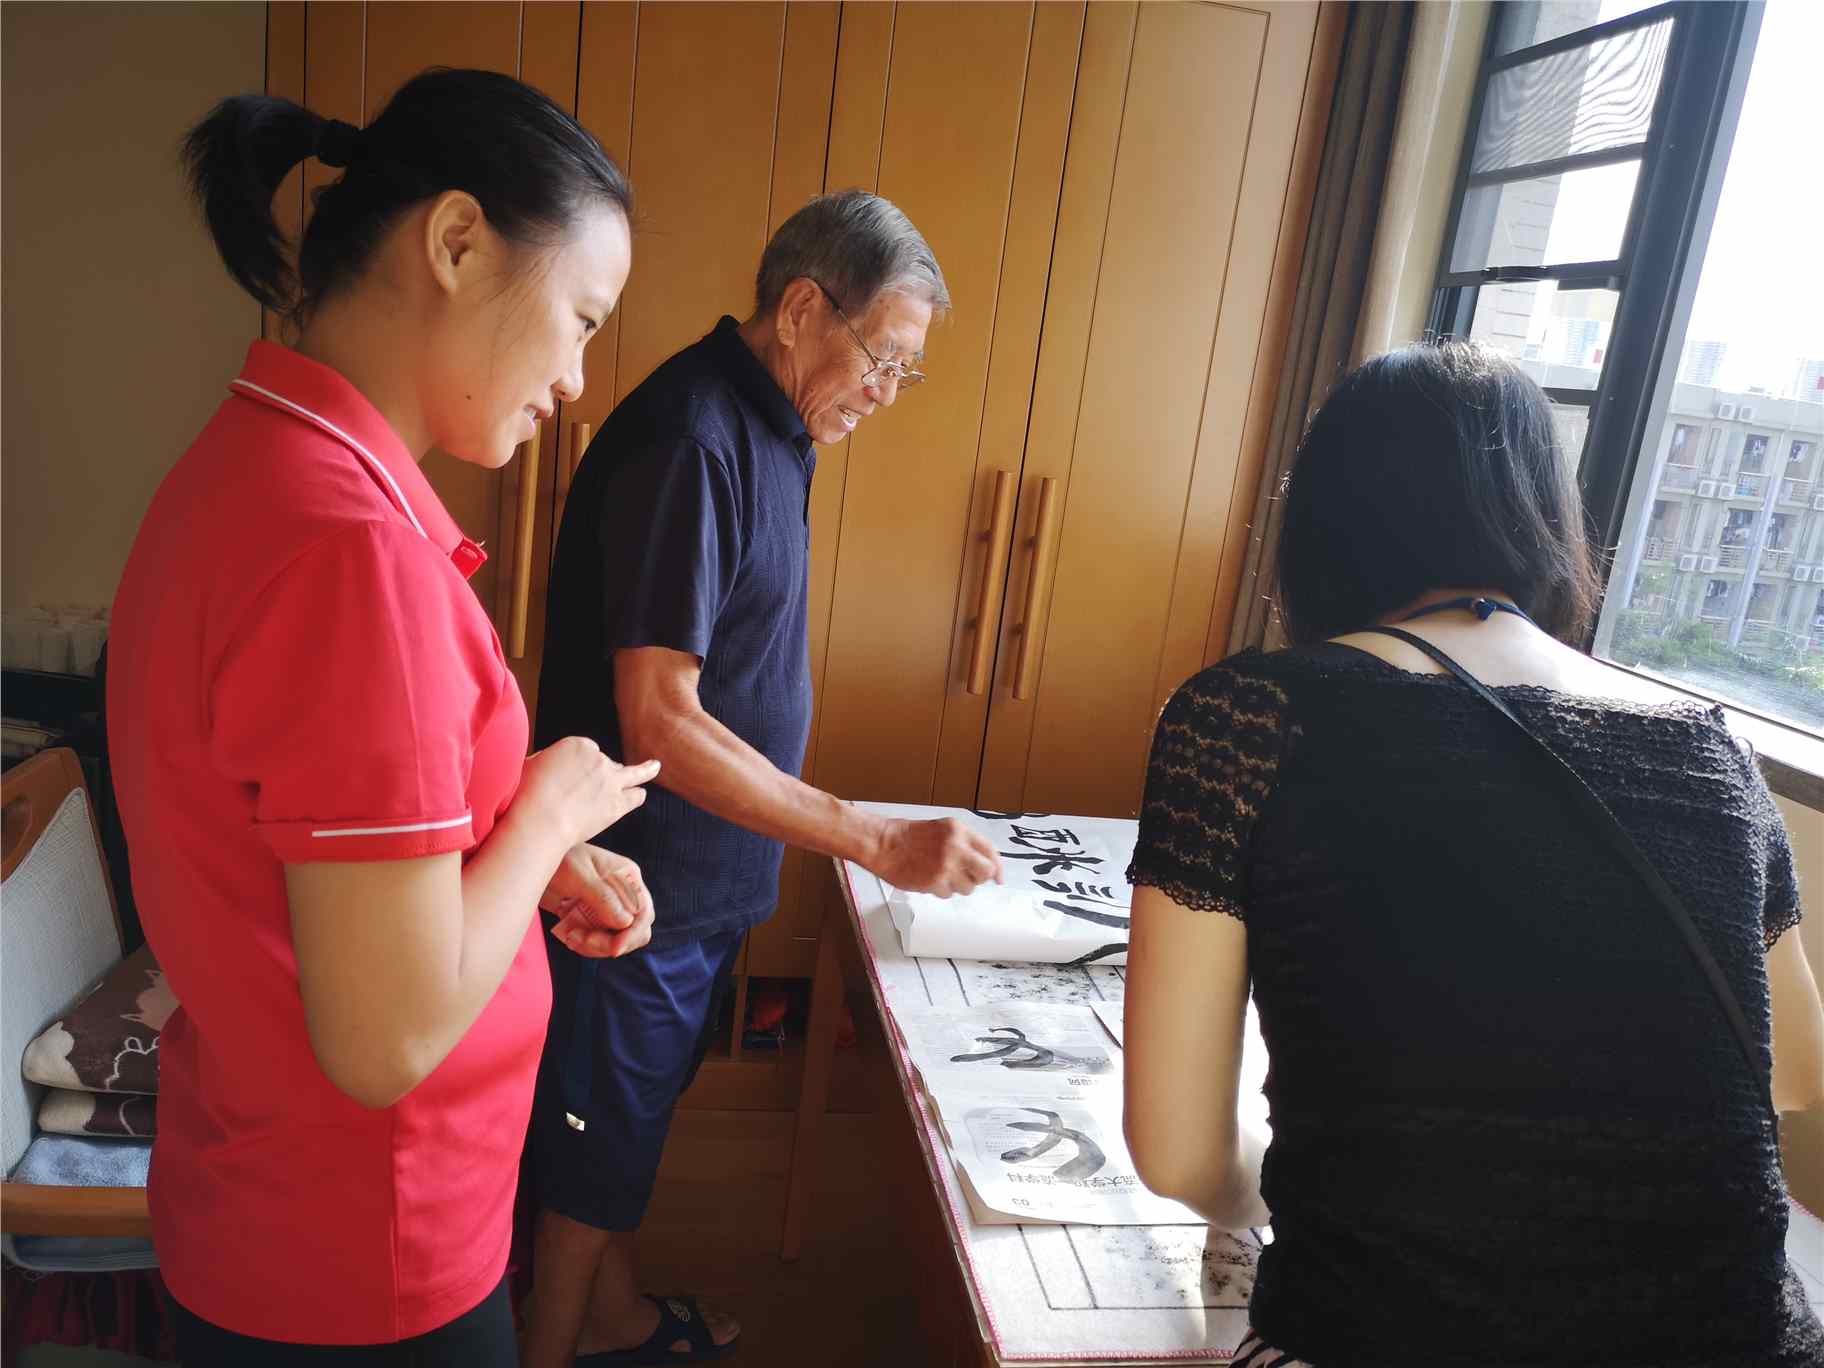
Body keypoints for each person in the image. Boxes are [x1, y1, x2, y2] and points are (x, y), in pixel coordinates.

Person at [1122, 341, 1824, 1366]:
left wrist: (1276, 1191)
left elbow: (1178, 1153)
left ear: (1323, 524)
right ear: (1546, 516)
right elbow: (1794, 1071)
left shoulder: (1249, 717)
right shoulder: (1709, 743)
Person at [108, 71, 648, 1364]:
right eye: (580, 319)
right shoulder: (350, 554)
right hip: (366, 1256)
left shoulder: (252, 466)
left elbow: (286, 834)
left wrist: (506, 844)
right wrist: (548, 811)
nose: (576, 378)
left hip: (272, 1211)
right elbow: (387, 1037)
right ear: (455, 242)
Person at [524, 190, 1004, 1366]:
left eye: (906, 371)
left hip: (693, 887)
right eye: (883, 357)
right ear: (800, 310)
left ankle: (613, 1320)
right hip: (632, 891)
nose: (887, 391)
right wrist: (873, 838)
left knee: (616, 1141)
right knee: (587, 1161)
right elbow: (661, 718)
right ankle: (546, 1349)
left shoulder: (770, 428)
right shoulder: (694, 441)